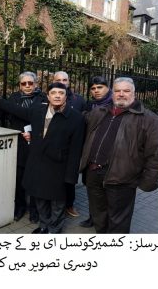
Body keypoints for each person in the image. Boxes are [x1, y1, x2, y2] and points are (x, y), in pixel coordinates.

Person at [0, 82, 85, 234]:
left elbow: (76, 149)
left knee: (57, 203)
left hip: (58, 167)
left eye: (61, 93)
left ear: (66, 96)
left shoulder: (76, 118)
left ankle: (54, 230)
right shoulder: (38, 110)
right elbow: (18, 110)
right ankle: (43, 225)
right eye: (53, 93)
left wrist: (71, 176)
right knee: (39, 199)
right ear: (48, 96)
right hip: (37, 164)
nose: (57, 96)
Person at [79, 77, 158, 234]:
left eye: (126, 91)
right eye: (117, 90)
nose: (121, 94)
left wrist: (146, 182)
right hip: (93, 175)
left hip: (122, 180)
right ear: (112, 93)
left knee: (118, 223)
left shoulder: (149, 119)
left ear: (134, 93)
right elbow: (78, 128)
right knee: (99, 217)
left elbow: (156, 156)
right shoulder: (99, 112)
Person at [0, 72, 47, 223]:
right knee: (18, 180)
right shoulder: (14, 98)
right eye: (24, 83)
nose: (27, 86)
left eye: (30, 83)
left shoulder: (43, 99)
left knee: (35, 180)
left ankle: (34, 210)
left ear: (36, 84)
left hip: (36, 145)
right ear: (19, 85)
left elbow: (30, 115)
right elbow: (4, 115)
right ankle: (20, 207)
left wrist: (1, 101)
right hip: (18, 144)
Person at [79, 75, 113, 228]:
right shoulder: (90, 104)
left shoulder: (114, 105)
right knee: (91, 189)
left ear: (107, 88)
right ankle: (93, 217)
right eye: (93, 88)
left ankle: (105, 221)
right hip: (89, 154)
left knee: (105, 192)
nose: (96, 91)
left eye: (100, 87)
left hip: (106, 157)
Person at [53, 71, 87, 218]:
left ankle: (69, 205)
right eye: (58, 79)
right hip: (54, 146)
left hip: (72, 147)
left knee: (70, 179)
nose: (62, 82)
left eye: (64, 79)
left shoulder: (78, 100)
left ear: (69, 81)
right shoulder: (48, 97)